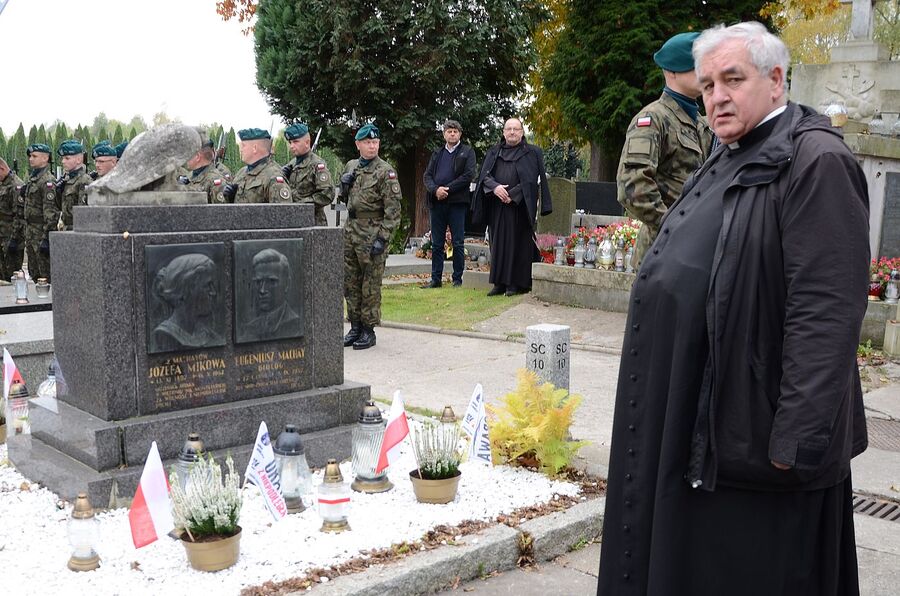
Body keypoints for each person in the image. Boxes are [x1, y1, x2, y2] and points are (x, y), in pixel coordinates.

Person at [597, 22, 869, 596]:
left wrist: (795, 439)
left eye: (733, 79)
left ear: (775, 80)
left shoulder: (814, 159)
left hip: (754, 441)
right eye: (709, 83)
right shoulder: (729, 150)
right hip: (692, 413)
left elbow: (826, 310)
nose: (717, 95)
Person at [616, 31, 714, 270]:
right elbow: (632, 188)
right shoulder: (653, 120)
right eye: (695, 67)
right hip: (662, 251)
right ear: (671, 71)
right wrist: (673, 227)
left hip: (697, 249)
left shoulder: (703, 123)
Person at [471, 117, 552, 296]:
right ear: (504, 132)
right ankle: (499, 283)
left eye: (516, 129)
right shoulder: (494, 152)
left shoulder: (532, 152)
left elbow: (531, 181)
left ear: (522, 132)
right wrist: (496, 188)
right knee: (497, 243)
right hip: (497, 206)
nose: (512, 132)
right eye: (509, 129)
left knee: (518, 245)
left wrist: (513, 194)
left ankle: (515, 284)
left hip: (519, 207)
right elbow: (484, 175)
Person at [338, 123, 402, 350]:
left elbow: (393, 212)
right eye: (367, 142)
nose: (372, 146)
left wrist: (383, 239)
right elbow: (346, 201)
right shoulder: (351, 166)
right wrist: (343, 187)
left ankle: (368, 329)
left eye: (375, 142)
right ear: (358, 145)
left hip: (372, 232)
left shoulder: (386, 171)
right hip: (351, 230)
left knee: (370, 285)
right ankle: (354, 326)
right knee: (350, 282)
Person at [421, 119, 476, 288]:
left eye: (455, 131)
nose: (452, 134)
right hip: (437, 203)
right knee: (437, 243)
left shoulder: (467, 152)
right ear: (444, 134)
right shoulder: (437, 153)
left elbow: (468, 175)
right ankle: (435, 279)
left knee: (458, 242)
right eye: (449, 131)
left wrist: (447, 189)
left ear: (460, 134)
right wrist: (436, 190)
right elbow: (427, 176)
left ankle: (457, 280)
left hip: (457, 203)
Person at [150, 253, 224, 352]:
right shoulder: (164, 335)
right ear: (186, 290)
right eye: (207, 285)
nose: (213, 292)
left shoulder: (208, 334)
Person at [244, 248, 301, 341]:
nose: (262, 290)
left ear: (287, 284)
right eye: (258, 282)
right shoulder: (249, 329)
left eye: (271, 282)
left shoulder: (296, 324)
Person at [282, 122, 333, 226]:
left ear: (307, 142)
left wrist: (300, 205)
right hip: (292, 222)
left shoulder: (317, 165)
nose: (292, 146)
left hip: (313, 222)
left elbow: (327, 194)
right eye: (290, 142)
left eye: (295, 142)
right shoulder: (291, 164)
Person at [222, 128, 291, 204]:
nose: (241, 149)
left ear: (255, 148)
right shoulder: (241, 173)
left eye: (243, 146)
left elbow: (284, 213)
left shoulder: (273, 177)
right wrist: (229, 199)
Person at [21, 144, 57, 282]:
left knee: (46, 275)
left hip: (41, 233)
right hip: (31, 233)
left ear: (45, 158)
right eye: (30, 156)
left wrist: (47, 238)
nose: (31, 159)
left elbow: (51, 213)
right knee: (34, 273)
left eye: (34, 156)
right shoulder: (33, 179)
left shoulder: (47, 181)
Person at [57, 140, 92, 230]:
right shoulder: (67, 179)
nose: (63, 161)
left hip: (76, 231)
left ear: (78, 160)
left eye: (67, 158)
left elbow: (83, 215)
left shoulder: (84, 181)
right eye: (63, 158)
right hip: (65, 229)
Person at [0, 158, 24, 280]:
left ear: (2, 169)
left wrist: (14, 239)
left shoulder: (16, 185)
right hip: (2, 236)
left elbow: (19, 216)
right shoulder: (3, 183)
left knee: (12, 275)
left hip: (11, 238)